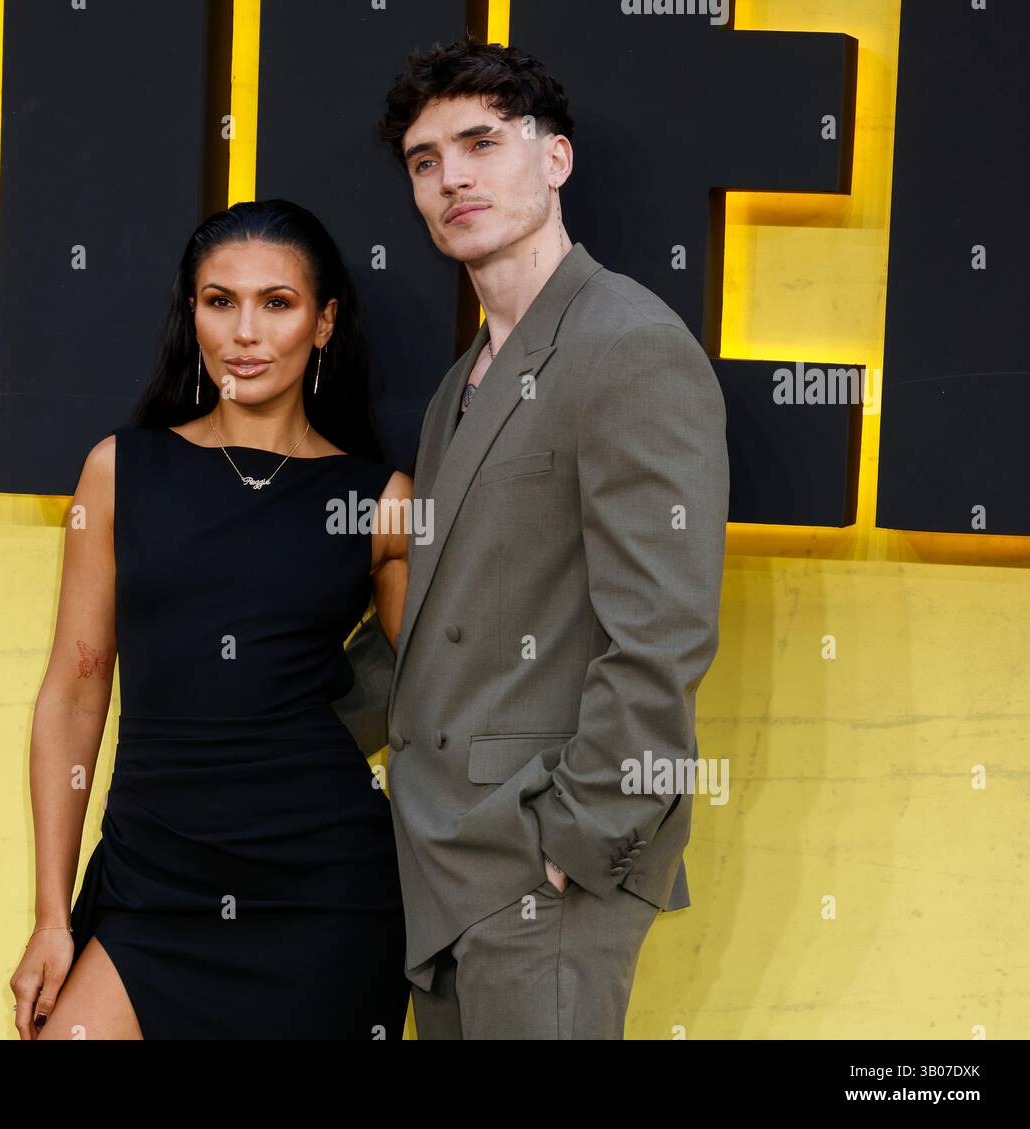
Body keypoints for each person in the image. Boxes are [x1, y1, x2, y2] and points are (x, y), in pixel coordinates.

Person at [374, 39, 730, 1038]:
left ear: (555, 158)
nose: (452, 177)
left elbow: (663, 629)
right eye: (424, 159)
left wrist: (577, 839)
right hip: (444, 866)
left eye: (480, 143)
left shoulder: (629, 342)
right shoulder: (460, 384)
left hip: (546, 870)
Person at [8, 200, 413, 1039]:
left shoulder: (380, 501)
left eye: (278, 302)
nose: (245, 332)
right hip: (152, 881)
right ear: (191, 313)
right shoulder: (122, 470)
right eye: (219, 301)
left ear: (324, 321)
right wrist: (52, 913)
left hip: (324, 889)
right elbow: (75, 693)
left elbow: (453, 694)